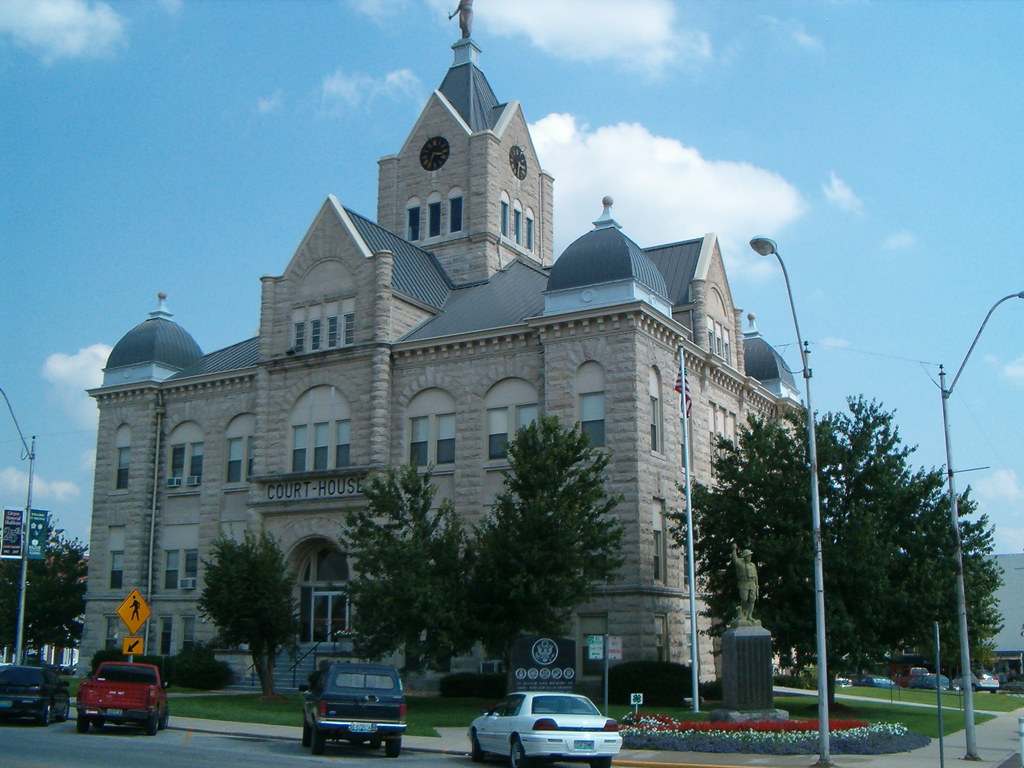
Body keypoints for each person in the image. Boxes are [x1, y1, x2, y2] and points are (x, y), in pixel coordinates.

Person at [731, 543, 758, 623]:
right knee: (744, 599)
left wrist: (757, 585)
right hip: (744, 583)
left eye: (750, 556)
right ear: (745, 557)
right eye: (748, 556)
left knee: (752, 599)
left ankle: (749, 615)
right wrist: (733, 550)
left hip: (752, 584)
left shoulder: (752, 565)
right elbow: (734, 559)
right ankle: (743, 613)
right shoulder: (740, 563)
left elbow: (756, 575)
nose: (750, 557)